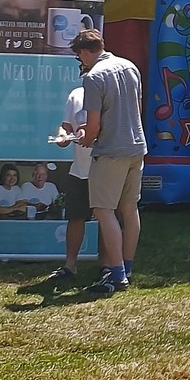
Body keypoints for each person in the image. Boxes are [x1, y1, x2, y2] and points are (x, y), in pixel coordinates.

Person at [74, 29, 147, 294]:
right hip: (137, 147)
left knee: (104, 210)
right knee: (130, 209)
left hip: (111, 151)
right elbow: (136, 110)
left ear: (84, 52)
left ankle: (116, 276)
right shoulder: (130, 66)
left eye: (79, 57)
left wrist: (85, 138)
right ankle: (127, 268)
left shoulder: (94, 77)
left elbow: (94, 125)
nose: (81, 62)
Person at [47, 63, 97, 282]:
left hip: (102, 168)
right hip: (79, 170)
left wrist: (90, 133)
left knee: (107, 218)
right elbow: (66, 126)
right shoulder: (76, 95)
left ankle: (110, 266)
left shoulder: (107, 95)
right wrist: (62, 136)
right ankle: (70, 265)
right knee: (76, 217)